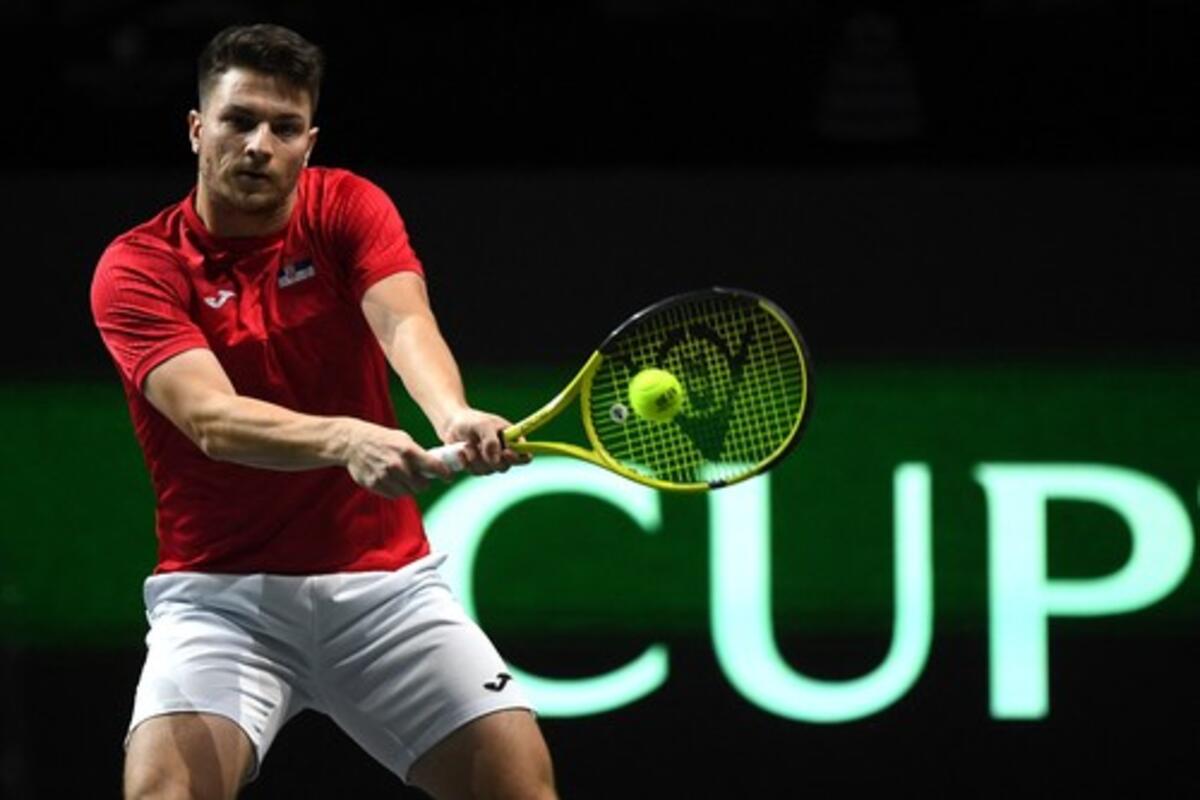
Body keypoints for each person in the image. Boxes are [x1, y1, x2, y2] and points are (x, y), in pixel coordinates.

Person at [90, 23, 557, 800]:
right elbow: (210, 420)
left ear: (309, 141)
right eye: (239, 121)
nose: (259, 145)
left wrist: (451, 414)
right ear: (198, 128)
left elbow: (403, 322)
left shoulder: (346, 206)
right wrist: (345, 439)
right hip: (223, 602)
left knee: (521, 789)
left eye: (284, 127)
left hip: (386, 592)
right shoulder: (140, 266)